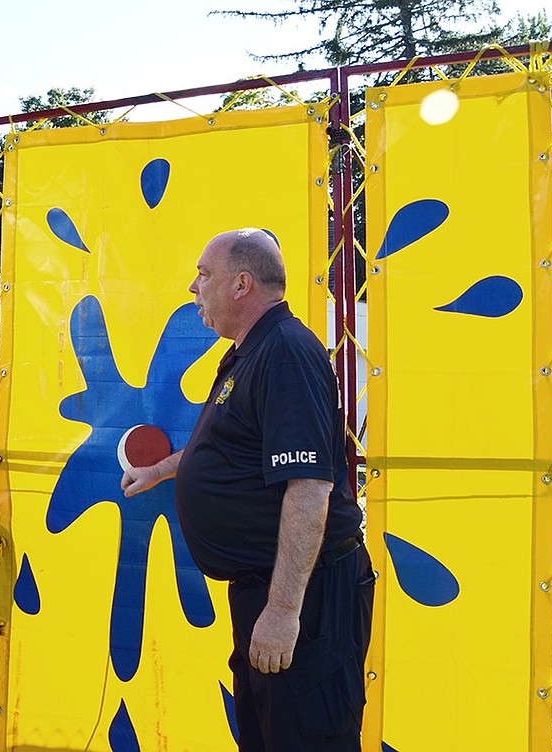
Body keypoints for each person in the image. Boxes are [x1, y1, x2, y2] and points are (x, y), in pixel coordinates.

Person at [120, 228, 373, 751]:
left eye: (203, 274)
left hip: (307, 595)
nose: (193, 287)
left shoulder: (285, 353)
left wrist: (282, 613)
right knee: (264, 736)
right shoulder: (250, 352)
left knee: (306, 738)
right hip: (269, 588)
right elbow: (232, 445)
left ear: (241, 284)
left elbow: (308, 487)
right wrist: (165, 470)